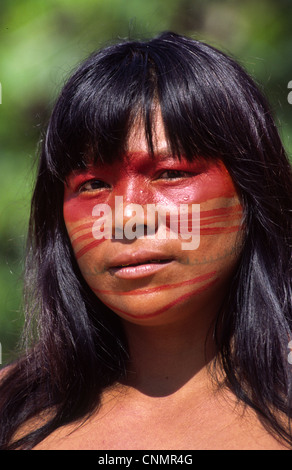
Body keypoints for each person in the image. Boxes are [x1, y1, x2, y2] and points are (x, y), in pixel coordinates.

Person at [0, 31, 291, 450]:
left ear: (252, 190)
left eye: (171, 173)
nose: (125, 218)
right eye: (93, 184)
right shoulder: (12, 410)